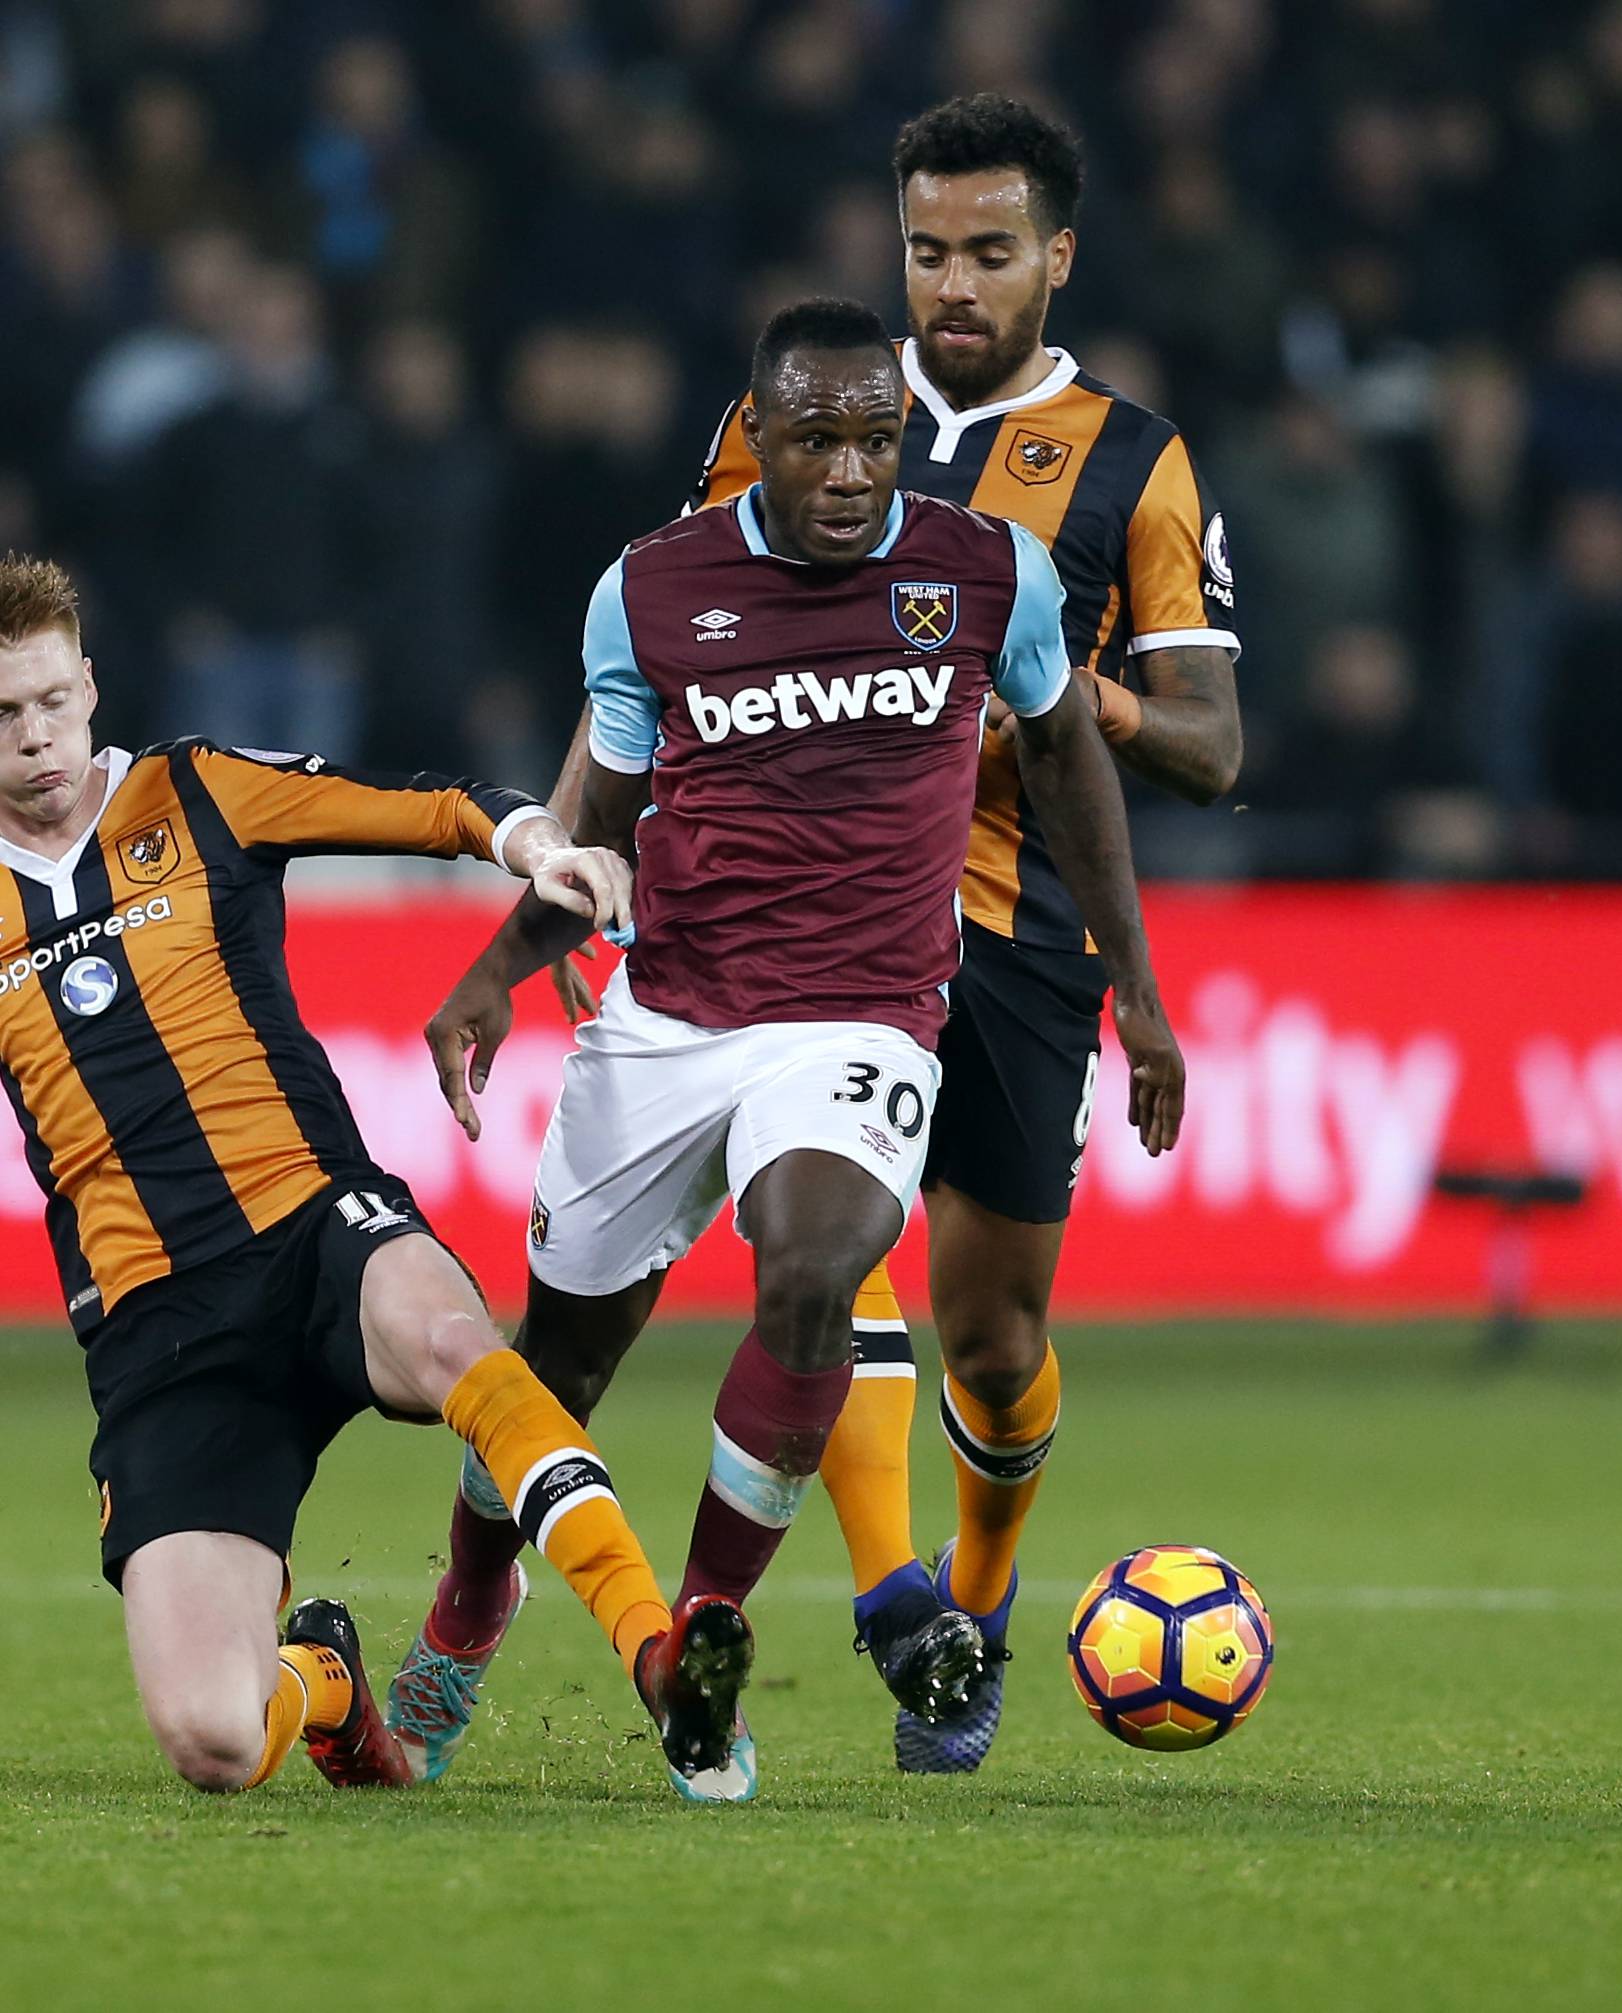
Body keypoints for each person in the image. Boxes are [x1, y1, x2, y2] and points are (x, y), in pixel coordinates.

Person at [389, 297, 1184, 1801]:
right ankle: (465, 1617)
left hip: (861, 1017)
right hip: (671, 1018)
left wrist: (1132, 984)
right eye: (816, 439)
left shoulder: (986, 573)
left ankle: (703, 1633)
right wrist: (499, 968)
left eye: (875, 439)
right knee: (557, 1364)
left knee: (820, 1269)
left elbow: (1072, 757)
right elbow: (609, 815)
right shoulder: (651, 591)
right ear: (757, 435)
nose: (848, 472)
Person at [0, 550, 746, 1800]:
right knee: (216, 1743)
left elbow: (422, 803)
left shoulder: (198, 793)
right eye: (3, 717)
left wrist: (532, 842)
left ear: (90, 684)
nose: (35, 739)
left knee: (461, 1347)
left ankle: (659, 1656)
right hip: (160, 1333)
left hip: (316, 1234)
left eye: (53, 702)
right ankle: (329, 1681)